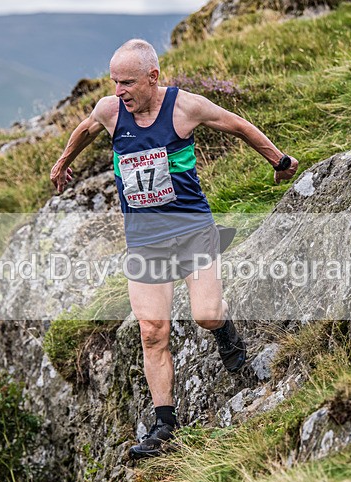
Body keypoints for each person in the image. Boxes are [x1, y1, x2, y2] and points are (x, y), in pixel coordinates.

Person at [50, 39, 298, 460]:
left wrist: (280, 161)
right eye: (113, 82)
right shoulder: (111, 111)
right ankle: (164, 425)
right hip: (144, 240)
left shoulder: (184, 107)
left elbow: (236, 124)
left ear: (153, 77)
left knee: (205, 315)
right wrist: (62, 162)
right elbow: (86, 130)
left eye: (127, 82)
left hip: (192, 231)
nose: (118, 91)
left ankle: (225, 333)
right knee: (152, 332)